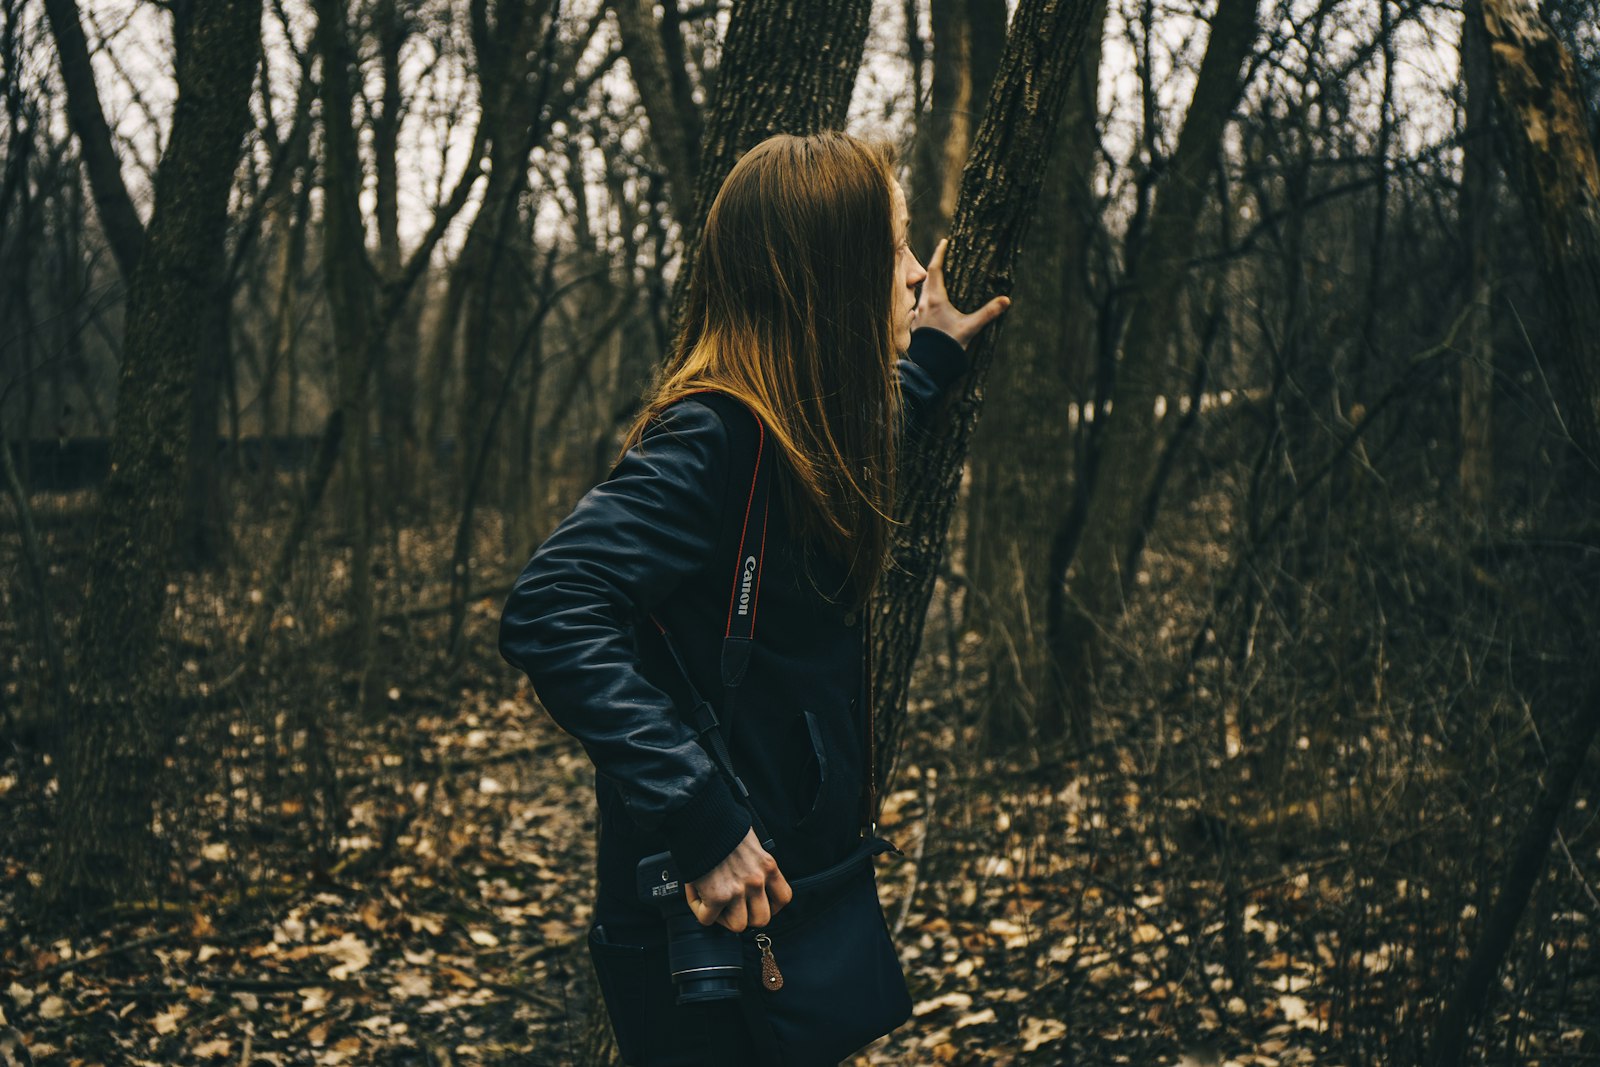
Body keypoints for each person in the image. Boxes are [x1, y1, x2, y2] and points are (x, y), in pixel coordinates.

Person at [498, 130, 1009, 1065]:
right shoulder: (712, 432)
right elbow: (551, 604)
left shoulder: (794, 424)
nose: (909, 274)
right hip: (709, 933)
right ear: (824, 275)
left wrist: (928, 362)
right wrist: (702, 818)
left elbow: (850, 439)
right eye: (890, 249)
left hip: (794, 904)